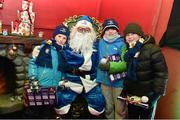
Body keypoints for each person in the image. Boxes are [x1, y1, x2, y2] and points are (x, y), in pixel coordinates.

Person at [55, 15, 105, 119]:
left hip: (90, 80)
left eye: (86, 29)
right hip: (71, 79)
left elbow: (98, 64)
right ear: (75, 30)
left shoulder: (96, 46)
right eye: (80, 29)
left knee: (98, 102)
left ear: (91, 32)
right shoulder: (68, 44)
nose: (83, 31)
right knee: (61, 100)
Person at [121, 23, 168, 119]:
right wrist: (125, 90)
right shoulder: (130, 50)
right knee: (132, 117)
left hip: (147, 95)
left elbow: (162, 74)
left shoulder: (152, 49)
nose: (130, 37)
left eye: (133, 34)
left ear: (140, 35)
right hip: (133, 94)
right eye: (127, 35)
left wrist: (154, 96)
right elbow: (129, 73)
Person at [25, 24, 70, 118]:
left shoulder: (64, 53)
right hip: (39, 85)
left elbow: (63, 69)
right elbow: (33, 63)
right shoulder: (43, 48)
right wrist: (33, 79)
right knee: (33, 112)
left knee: (48, 113)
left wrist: (63, 80)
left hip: (53, 88)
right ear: (54, 36)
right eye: (59, 36)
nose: (61, 39)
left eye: (64, 38)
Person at [96, 18, 127, 119]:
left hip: (118, 82)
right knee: (108, 107)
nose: (110, 31)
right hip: (104, 81)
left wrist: (110, 66)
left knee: (120, 108)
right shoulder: (100, 42)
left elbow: (125, 63)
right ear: (104, 31)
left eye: (113, 29)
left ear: (117, 30)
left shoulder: (123, 44)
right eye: (108, 29)